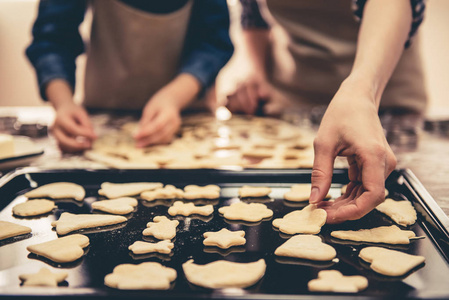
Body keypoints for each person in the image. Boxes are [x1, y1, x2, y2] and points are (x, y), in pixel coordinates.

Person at [227, 0, 427, 223]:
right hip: (291, 102)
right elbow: (252, 12)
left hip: (383, 97)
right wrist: (257, 73)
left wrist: (364, 89)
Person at [27, 0, 233, 152]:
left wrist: (174, 97)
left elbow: (213, 41)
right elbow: (52, 37)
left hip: (189, 122)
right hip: (99, 124)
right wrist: (63, 103)